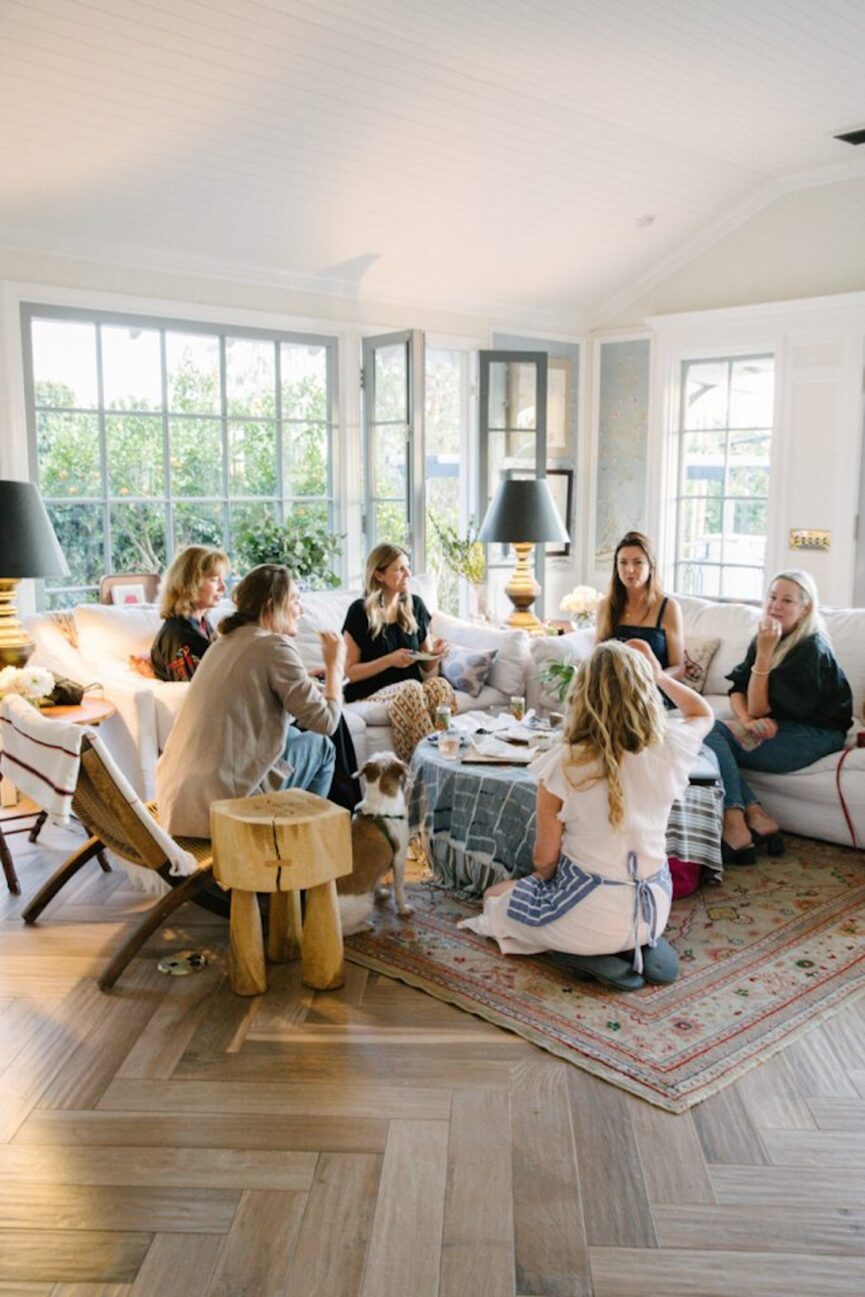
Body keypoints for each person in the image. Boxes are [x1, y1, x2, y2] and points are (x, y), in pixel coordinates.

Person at [459, 639, 713, 991]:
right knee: (591, 899)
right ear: (645, 691)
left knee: (495, 897)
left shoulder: (564, 762)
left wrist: (537, 883)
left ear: (583, 694)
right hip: (654, 904)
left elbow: (544, 860)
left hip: (588, 910)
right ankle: (632, 942)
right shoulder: (670, 748)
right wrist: (661, 677)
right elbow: (702, 713)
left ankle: (581, 947)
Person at [156, 564, 345, 838]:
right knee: (323, 747)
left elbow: (258, 702)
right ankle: (301, 846)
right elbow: (326, 722)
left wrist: (306, 682)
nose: (299, 609)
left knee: (291, 734)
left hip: (179, 800)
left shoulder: (223, 642)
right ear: (272, 605)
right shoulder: (274, 646)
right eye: (294, 600)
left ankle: (291, 838)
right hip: (224, 807)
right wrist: (335, 668)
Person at [703, 569, 852, 863]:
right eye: (772, 597)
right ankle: (755, 815)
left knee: (710, 736)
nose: (776, 606)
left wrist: (764, 654)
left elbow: (759, 707)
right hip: (783, 724)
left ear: (805, 607)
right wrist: (746, 721)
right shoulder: (768, 634)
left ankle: (735, 823)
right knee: (706, 732)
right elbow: (737, 689)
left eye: (787, 600)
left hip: (815, 734)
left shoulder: (811, 648)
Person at [342, 543, 456, 763]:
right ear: (379, 575)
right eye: (400, 569)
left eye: (408, 567)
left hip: (409, 687)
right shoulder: (360, 611)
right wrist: (389, 660)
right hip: (371, 690)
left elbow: (426, 667)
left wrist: (435, 655)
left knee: (439, 685)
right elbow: (349, 672)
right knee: (412, 688)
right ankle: (423, 763)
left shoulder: (416, 607)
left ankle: (446, 757)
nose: (408, 574)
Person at [596, 531, 685, 690]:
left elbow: (678, 668)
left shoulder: (668, 607)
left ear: (651, 567)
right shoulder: (606, 605)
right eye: (623, 562)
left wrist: (655, 679)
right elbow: (597, 656)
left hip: (655, 691)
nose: (630, 570)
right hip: (615, 690)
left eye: (638, 562)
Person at [151, 545, 229, 681]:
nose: (223, 587)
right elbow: (192, 692)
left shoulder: (201, 622)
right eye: (214, 579)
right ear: (189, 583)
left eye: (222, 579)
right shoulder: (179, 636)